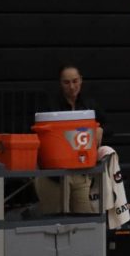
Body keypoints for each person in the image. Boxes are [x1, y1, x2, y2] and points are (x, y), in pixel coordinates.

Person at [35, 64, 104, 215]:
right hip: (54, 174)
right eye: (66, 82)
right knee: (55, 217)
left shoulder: (89, 103)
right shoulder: (49, 105)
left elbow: (109, 124)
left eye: (75, 81)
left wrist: (100, 129)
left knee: (85, 216)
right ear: (60, 83)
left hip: (81, 171)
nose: (72, 86)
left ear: (81, 80)